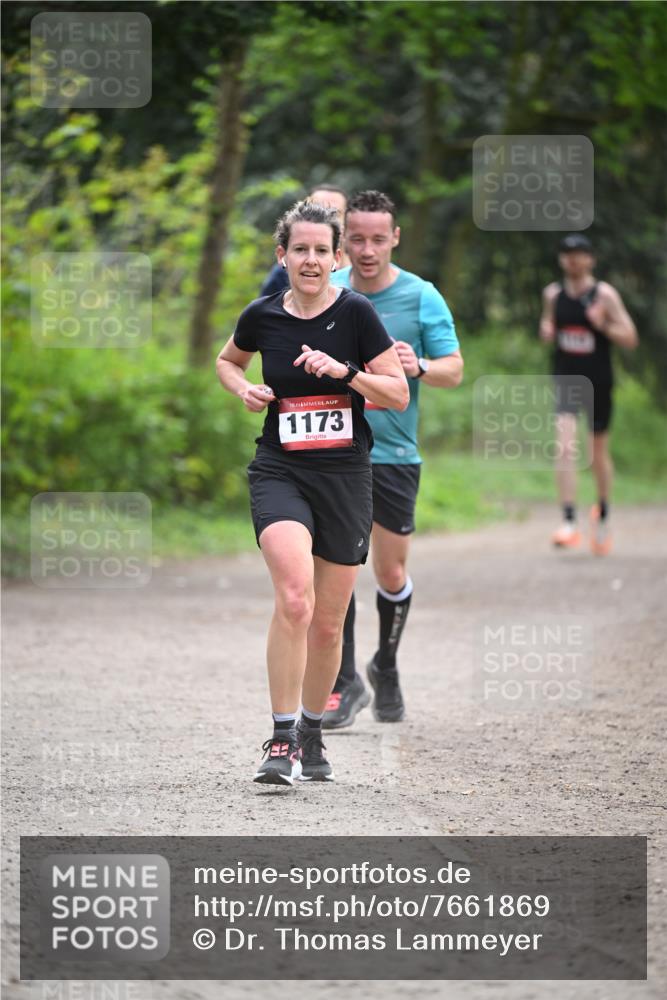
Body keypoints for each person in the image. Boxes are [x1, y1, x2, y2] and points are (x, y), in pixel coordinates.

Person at [216, 199, 408, 785]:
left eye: (322, 250)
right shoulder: (262, 315)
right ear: (283, 255)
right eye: (299, 249)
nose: (310, 259)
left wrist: (344, 372)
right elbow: (227, 361)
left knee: (328, 622)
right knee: (295, 599)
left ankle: (311, 732)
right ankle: (280, 740)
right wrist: (243, 389)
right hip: (281, 469)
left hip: (345, 475)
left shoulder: (356, 314)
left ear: (337, 257)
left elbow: (397, 393)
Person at [323, 190, 463, 729]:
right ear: (344, 240)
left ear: (395, 238)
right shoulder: (328, 290)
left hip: (395, 455)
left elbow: (455, 369)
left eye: (378, 239)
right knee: (338, 566)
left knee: (390, 570)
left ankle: (385, 663)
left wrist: (419, 366)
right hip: (337, 450)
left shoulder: (421, 296)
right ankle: (345, 681)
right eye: (356, 239)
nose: (366, 250)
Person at [539, 234, 638, 555]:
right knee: (565, 447)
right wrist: (547, 330)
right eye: (567, 254)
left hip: (599, 382)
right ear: (561, 259)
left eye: (579, 253)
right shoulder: (553, 295)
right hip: (566, 379)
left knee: (597, 452)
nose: (573, 259)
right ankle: (569, 521)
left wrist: (603, 324)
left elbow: (630, 337)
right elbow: (548, 326)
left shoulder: (604, 295)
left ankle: (603, 513)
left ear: (590, 259)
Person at [259, 185, 350, 296]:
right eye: (316, 209)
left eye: (335, 213)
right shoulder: (282, 273)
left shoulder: (361, 270)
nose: (324, 218)